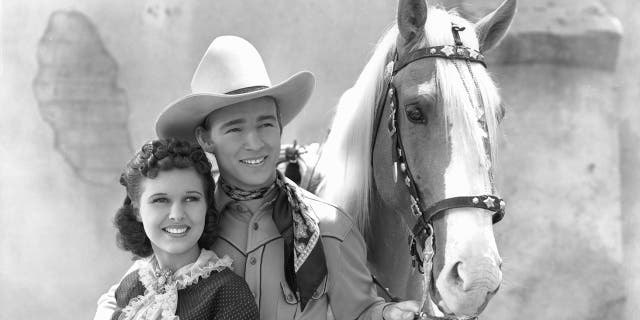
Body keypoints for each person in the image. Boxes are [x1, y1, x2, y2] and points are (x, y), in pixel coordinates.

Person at [95, 36, 419, 320]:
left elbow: (360, 312)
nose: (255, 142)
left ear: (280, 125)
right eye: (235, 128)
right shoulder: (190, 220)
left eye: (265, 124)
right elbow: (145, 284)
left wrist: (388, 313)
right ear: (206, 139)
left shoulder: (328, 228)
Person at [106, 138, 259, 320]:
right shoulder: (130, 284)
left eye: (190, 199)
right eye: (160, 200)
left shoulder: (228, 293)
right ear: (137, 211)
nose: (177, 215)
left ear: (206, 205)